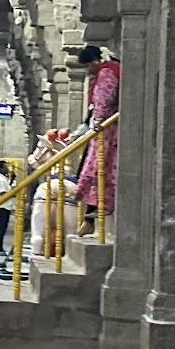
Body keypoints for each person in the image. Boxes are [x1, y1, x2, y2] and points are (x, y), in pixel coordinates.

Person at [73, 46, 120, 235]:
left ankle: (92, 215)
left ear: (93, 61)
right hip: (110, 128)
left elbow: (104, 99)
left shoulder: (106, 72)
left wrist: (99, 120)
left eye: (87, 66)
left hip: (107, 130)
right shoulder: (113, 69)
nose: (88, 71)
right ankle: (91, 215)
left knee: (97, 168)